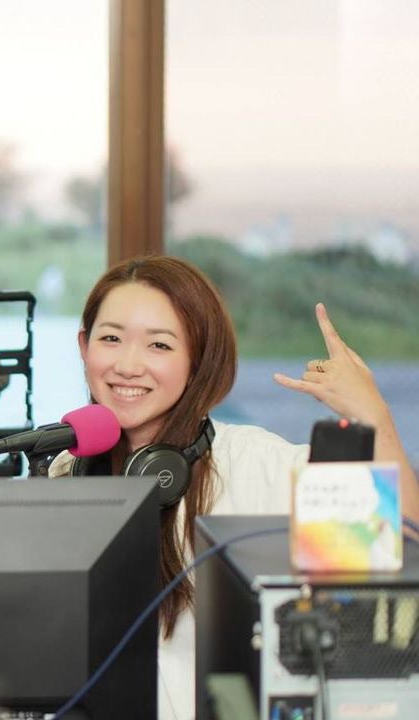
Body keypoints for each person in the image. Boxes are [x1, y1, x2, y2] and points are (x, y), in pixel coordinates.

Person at [47, 255, 418, 720]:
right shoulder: (66, 470)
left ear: (198, 360)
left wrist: (374, 415)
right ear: (84, 347)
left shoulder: (258, 464)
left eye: (159, 345)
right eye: (111, 339)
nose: (128, 365)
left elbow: (402, 544)